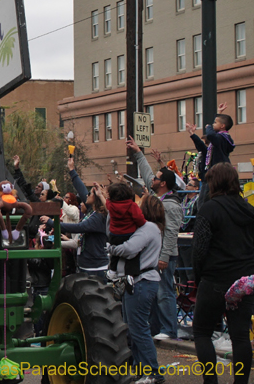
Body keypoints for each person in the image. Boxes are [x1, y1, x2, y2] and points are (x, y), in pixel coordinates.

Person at [192, 163, 254, 384]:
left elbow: (199, 249)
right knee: (240, 337)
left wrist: (198, 278)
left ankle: (211, 382)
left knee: (201, 332)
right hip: (244, 282)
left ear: (214, 183)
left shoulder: (209, 208)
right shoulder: (249, 210)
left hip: (215, 279)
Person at [127, 136, 182, 341]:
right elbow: (148, 173)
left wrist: (164, 257)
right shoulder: (157, 197)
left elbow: (171, 235)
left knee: (164, 292)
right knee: (154, 293)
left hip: (163, 257)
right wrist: (138, 152)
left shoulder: (171, 205)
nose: (153, 180)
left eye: (157, 178)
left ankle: (169, 330)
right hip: (153, 255)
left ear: (164, 183)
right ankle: (157, 328)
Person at [110, 194, 165, 384]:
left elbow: (130, 248)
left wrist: (112, 249)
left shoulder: (148, 228)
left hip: (142, 282)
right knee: (133, 329)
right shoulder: (153, 228)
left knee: (139, 328)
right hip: (140, 281)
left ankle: (152, 373)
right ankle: (141, 371)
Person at [40, 183, 108, 280]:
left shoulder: (96, 216)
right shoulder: (92, 213)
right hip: (85, 265)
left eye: (90, 194)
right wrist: (72, 171)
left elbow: (78, 227)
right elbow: (77, 242)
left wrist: (51, 222)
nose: (86, 196)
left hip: (95, 268)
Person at [105, 182, 146, 281]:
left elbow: (106, 202)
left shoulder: (110, 205)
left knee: (114, 253)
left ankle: (113, 270)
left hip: (114, 234)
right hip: (129, 234)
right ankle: (131, 273)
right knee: (132, 254)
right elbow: (139, 219)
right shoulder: (132, 206)